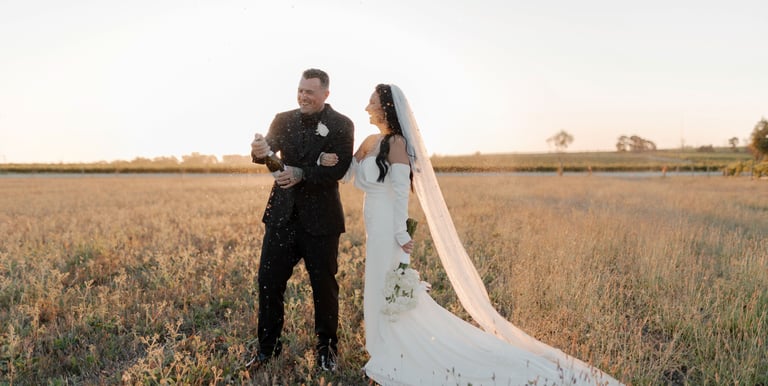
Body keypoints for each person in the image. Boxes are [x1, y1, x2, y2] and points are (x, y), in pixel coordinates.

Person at [322, 84, 624, 385]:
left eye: (371, 103)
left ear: (385, 107)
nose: (366, 108)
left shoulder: (397, 143)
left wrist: (401, 233)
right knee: (376, 284)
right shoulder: (369, 141)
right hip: (373, 226)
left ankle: (400, 348)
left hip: (389, 227)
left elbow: (402, 192)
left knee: (391, 286)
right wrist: (329, 159)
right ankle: (383, 345)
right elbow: (349, 176)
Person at [247, 68, 354, 371]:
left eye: (310, 91)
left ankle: (327, 351)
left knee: (324, 287)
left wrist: (302, 172)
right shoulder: (283, 119)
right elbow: (269, 158)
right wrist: (259, 151)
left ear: (325, 94)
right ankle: (268, 350)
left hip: (322, 221)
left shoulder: (341, 124)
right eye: (300, 90)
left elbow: (339, 169)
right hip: (281, 217)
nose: (303, 96)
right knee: (268, 283)